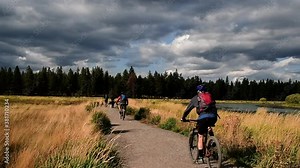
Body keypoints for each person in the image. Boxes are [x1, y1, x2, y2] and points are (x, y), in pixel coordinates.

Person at [181, 84, 218, 160]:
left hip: (203, 118)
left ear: (198, 91)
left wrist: (183, 118)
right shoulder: (210, 96)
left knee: (200, 135)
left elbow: (187, 110)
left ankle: (200, 156)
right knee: (208, 125)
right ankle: (212, 140)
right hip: (214, 117)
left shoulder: (196, 98)